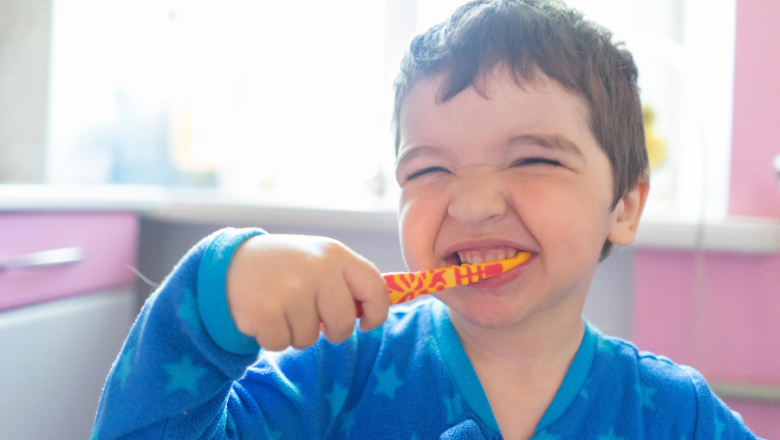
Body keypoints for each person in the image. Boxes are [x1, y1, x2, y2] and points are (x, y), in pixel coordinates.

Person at [90, 1, 760, 439]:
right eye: (429, 171)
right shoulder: (334, 377)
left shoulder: (679, 417)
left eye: (532, 158)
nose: (470, 204)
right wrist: (211, 304)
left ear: (626, 204)